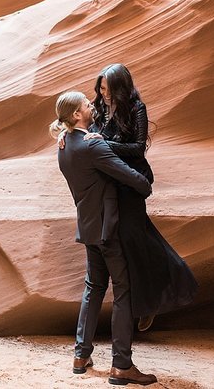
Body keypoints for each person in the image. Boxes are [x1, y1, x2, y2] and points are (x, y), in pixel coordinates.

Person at [61, 64, 197, 331]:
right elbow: (79, 127)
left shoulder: (136, 108)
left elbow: (137, 148)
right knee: (132, 243)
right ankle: (147, 303)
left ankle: (152, 300)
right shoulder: (98, 109)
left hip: (131, 183)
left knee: (136, 241)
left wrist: (103, 143)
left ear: (121, 88)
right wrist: (66, 134)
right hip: (111, 183)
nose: (104, 94)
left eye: (108, 89)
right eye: (101, 88)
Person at [50, 91, 158, 386]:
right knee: (123, 291)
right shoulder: (92, 146)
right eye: (87, 104)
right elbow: (135, 180)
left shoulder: (64, 146)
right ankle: (121, 365)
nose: (92, 106)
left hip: (88, 227)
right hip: (109, 229)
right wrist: (144, 181)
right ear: (76, 115)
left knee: (94, 287)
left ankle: (81, 356)